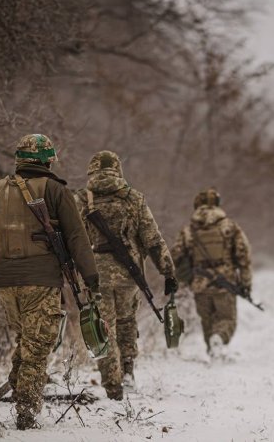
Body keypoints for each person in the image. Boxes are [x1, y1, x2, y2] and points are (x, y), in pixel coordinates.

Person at [0, 133, 99, 430]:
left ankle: (19, 384)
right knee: (38, 346)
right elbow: (77, 236)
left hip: (6, 282)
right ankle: (26, 412)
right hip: (41, 280)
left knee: (28, 340)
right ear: (47, 160)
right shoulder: (56, 190)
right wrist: (91, 277)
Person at [75, 150, 177, 400]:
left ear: (92, 170)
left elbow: (71, 239)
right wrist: (168, 271)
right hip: (128, 273)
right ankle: (128, 373)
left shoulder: (80, 199)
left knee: (103, 327)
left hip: (93, 275)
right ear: (118, 170)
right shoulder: (134, 198)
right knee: (127, 322)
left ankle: (112, 383)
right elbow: (152, 239)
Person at [171, 188, 252, 358]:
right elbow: (244, 257)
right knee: (227, 319)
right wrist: (245, 283)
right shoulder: (229, 227)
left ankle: (212, 349)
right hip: (226, 282)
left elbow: (176, 255)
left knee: (207, 320)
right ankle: (218, 340)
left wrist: (183, 278)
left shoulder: (188, 230)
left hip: (199, 282)